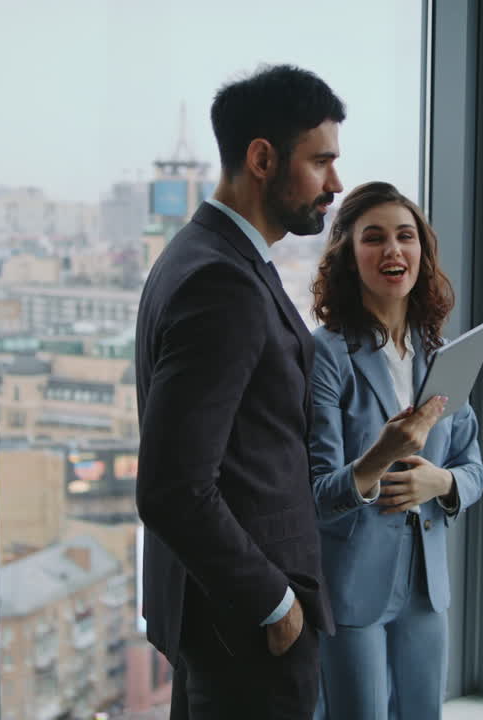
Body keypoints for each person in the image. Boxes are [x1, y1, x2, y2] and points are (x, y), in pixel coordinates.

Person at [134, 64, 345, 720]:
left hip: (220, 619)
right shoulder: (220, 284)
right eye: (321, 162)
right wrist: (276, 606)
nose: (335, 184)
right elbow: (172, 487)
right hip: (248, 630)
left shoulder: (200, 255)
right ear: (261, 159)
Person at [308, 181, 483, 718]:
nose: (393, 250)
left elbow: (474, 466)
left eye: (405, 237)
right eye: (374, 238)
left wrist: (443, 482)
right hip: (352, 587)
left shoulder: (439, 352)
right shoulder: (327, 355)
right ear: (348, 256)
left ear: (422, 252)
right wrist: (380, 456)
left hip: (425, 589)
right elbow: (317, 494)